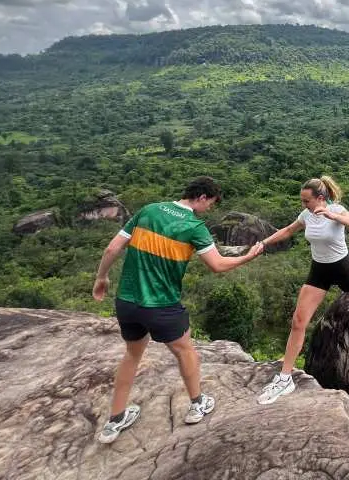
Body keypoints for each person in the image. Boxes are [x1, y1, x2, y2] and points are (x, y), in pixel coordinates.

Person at [91, 176, 264, 444]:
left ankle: (114, 421)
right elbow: (217, 266)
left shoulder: (148, 210)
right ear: (203, 197)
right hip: (161, 304)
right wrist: (248, 256)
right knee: (185, 351)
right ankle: (197, 404)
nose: (209, 209)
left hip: (127, 301)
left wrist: (101, 278)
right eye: (211, 203)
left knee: (132, 355)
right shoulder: (194, 226)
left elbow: (112, 247)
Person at [255, 174, 349, 405]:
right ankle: (284, 378)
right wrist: (264, 243)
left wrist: (333, 215)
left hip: (342, 266)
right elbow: (289, 230)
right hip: (319, 270)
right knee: (299, 321)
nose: (303, 205)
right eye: (302, 201)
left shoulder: (337, 210)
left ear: (320, 198)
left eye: (306, 201)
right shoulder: (306, 215)